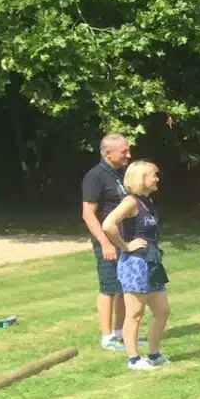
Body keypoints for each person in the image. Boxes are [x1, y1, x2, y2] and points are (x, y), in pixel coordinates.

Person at [102, 161, 170, 370]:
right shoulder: (130, 201)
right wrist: (125, 246)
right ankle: (133, 359)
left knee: (162, 311)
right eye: (153, 175)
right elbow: (108, 224)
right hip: (135, 263)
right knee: (135, 313)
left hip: (152, 261)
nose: (157, 179)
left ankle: (154, 354)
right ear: (141, 178)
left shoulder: (146, 202)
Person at [81, 133, 131, 351]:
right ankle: (107, 337)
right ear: (107, 153)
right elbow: (88, 214)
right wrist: (105, 243)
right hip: (107, 241)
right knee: (109, 287)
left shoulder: (120, 173)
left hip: (123, 239)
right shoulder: (95, 176)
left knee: (123, 286)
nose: (128, 155)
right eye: (124, 151)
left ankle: (120, 333)